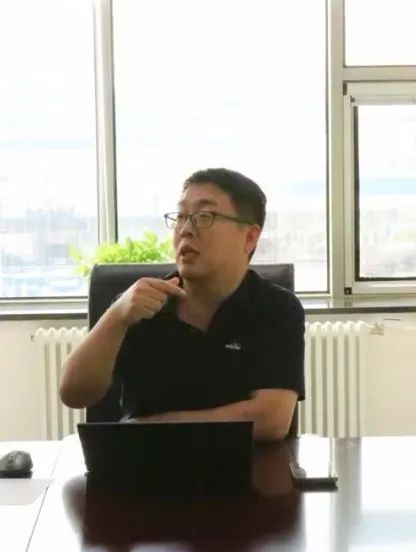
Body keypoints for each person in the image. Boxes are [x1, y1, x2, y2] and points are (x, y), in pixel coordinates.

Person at [60, 168, 305, 441]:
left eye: (204, 216)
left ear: (249, 237)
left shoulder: (275, 308)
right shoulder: (140, 305)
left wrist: (154, 426)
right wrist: (116, 317)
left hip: (248, 464)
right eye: (181, 217)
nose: (186, 230)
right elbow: (73, 394)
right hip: (146, 463)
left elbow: (271, 420)